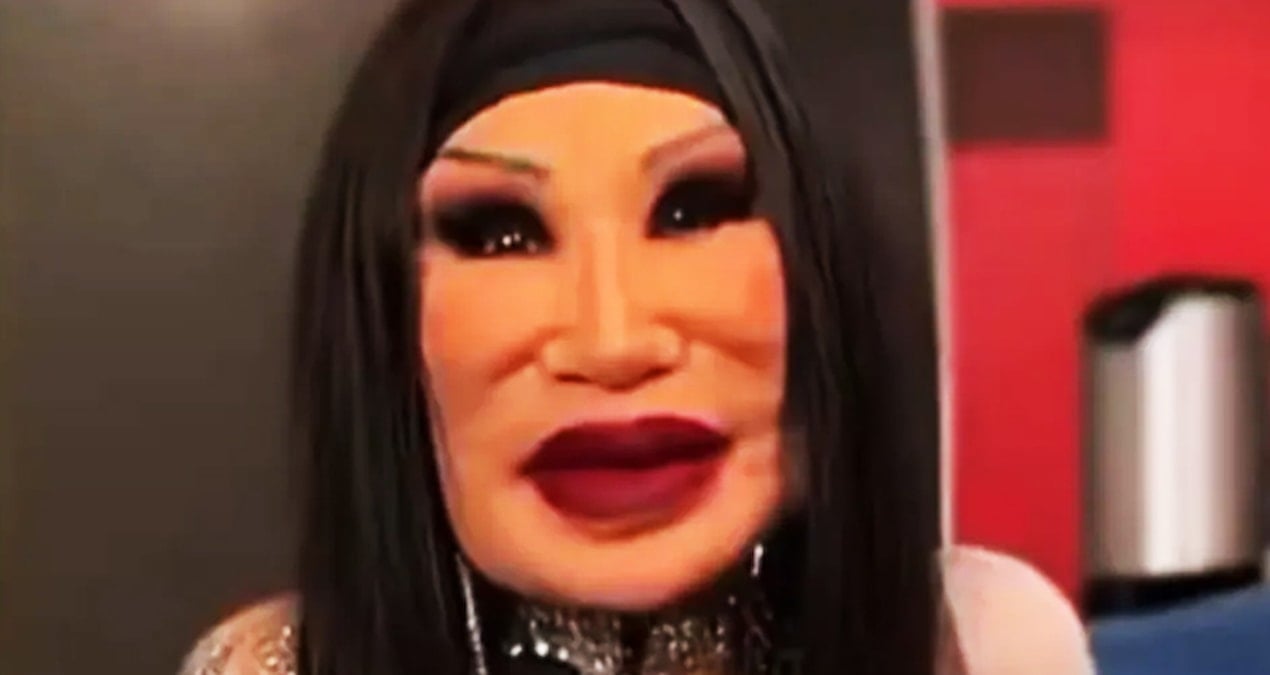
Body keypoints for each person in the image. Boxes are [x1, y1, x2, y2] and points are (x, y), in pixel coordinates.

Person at [181, 0, 1094, 674]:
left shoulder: (981, 643)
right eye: (502, 233)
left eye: (693, 209)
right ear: (381, 317)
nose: (613, 343)